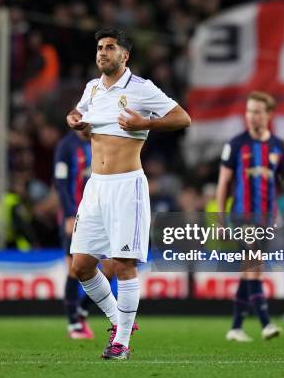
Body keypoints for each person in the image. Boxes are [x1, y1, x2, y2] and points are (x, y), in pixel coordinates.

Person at [67, 28, 191, 360]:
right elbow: (80, 117)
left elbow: (182, 117)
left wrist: (144, 124)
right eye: (99, 48)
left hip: (127, 186)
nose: (102, 52)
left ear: (125, 56)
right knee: (80, 267)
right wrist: (75, 121)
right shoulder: (92, 88)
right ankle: (120, 321)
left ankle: (120, 343)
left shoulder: (141, 89)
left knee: (123, 265)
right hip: (95, 187)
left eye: (110, 48)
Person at [216, 91, 284, 342]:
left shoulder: (278, 146)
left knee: (250, 271)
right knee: (254, 266)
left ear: (268, 115)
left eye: (257, 112)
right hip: (241, 216)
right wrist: (220, 216)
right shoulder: (236, 144)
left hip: (266, 219)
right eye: (248, 111)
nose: (251, 116)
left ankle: (235, 327)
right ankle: (266, 324)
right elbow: (224, 182)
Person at [53, 126, 114, 339]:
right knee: (74, 268)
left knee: (111, 267)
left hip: (97, 215)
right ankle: (73, 324)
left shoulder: (98, 141)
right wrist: (69, 214)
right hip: (74, 215)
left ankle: (82, 309)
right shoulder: (66, 146)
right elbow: (60, 184)